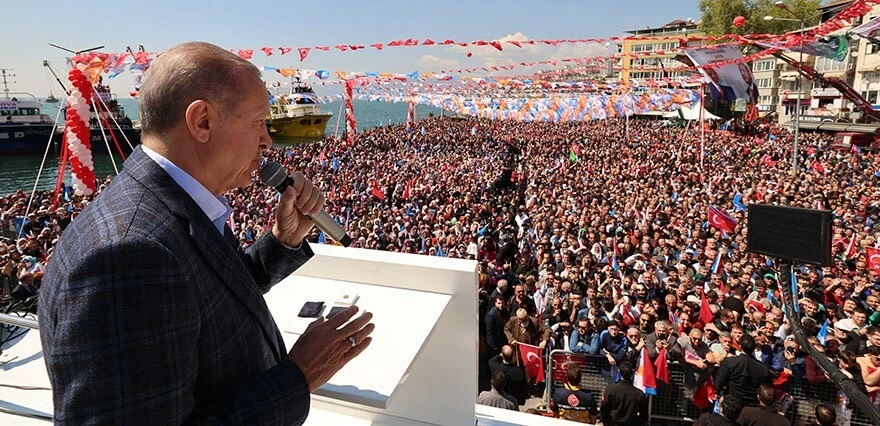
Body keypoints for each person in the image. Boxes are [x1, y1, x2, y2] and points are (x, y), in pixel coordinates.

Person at [38, 42, 375, 425]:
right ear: (202, 121)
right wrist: (297, 377)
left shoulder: (172, 203)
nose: (267, 140)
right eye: (257, 123)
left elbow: (211, 292)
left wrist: (283, 242)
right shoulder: (130, 253)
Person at [715, 334, 772, 407]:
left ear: (740, 346)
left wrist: (718, 392)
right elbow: (767, 387)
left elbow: (719, 382)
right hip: (753, 405)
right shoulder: (763, 368)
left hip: (732, 405)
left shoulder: (730, 362)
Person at [599, 361, 648, 426]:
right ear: (632, 373)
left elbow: (604, 409)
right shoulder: (639, 394)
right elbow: (644, 416)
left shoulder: (610, 389)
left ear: (619, 371)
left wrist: (606, 422)